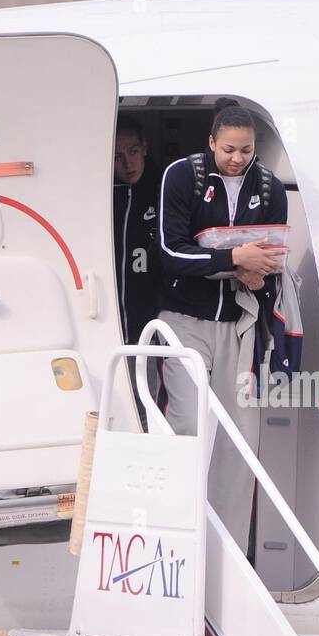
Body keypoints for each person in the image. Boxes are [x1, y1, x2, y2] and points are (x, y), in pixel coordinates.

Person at [155, 98, 293, 553]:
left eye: (246, 150)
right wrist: (235, 259)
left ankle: (228, 553)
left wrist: (255, 270)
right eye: (229, 149)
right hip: (186, 320)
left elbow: (275, 253)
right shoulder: (182, 175)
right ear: (211, 142)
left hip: (240, 320)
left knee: (240, 441)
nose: (237, 159)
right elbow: (170, 253)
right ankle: (175, 542)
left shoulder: (270, 186)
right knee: (189, 432)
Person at [112, 115, 163, 422]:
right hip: (113, 319)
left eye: (132, 151)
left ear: (145, 147)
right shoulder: (103, 194)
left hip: (152, 320)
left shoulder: (163, 189)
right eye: (117, 156)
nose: (127, 163)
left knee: (150, 400)